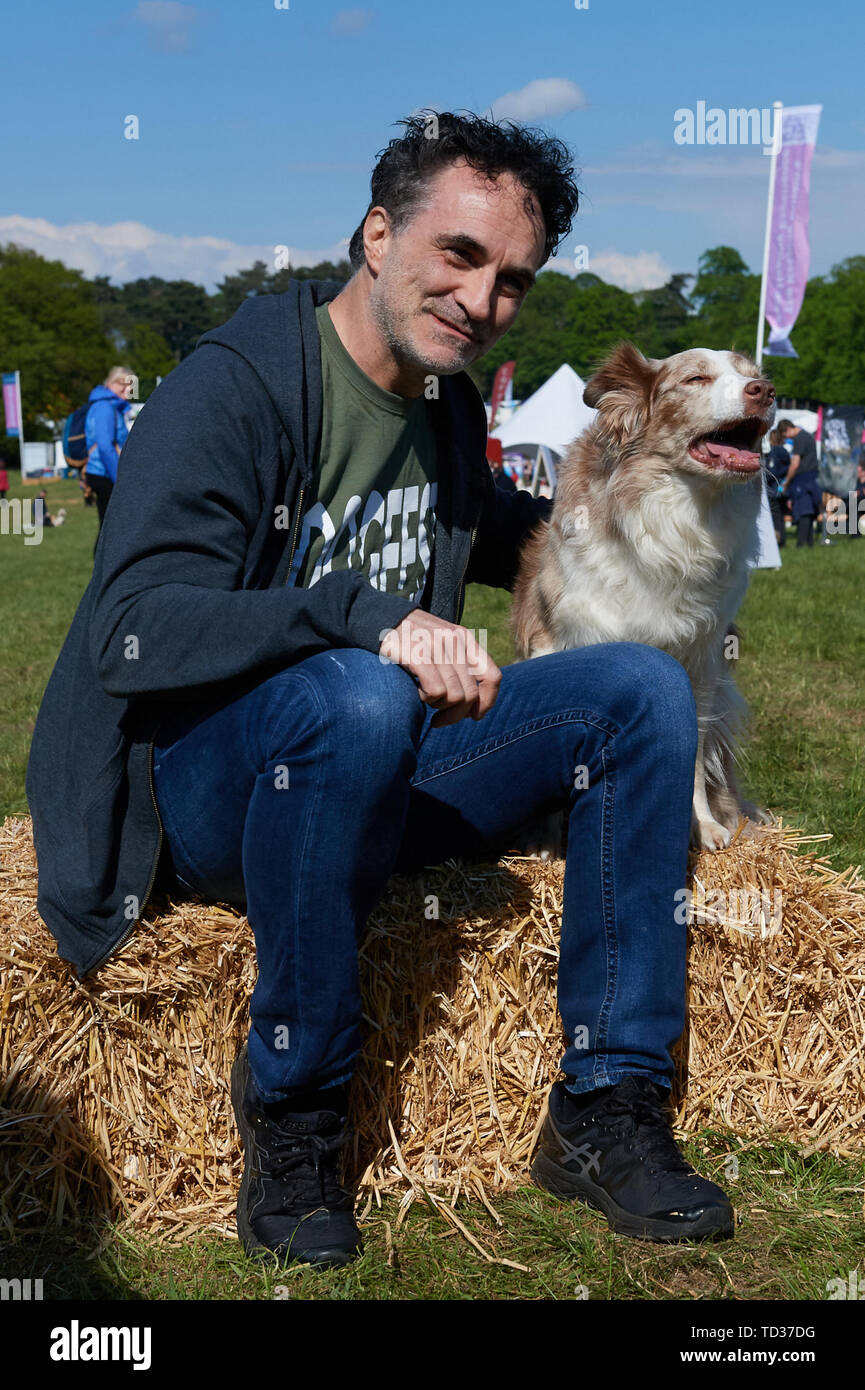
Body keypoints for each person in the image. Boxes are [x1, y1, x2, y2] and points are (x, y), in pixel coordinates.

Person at [26, 111, 733, 1270]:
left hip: (389, 760)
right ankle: (298, 1118)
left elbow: (505, 533)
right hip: (216, 792)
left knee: (640, 691)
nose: (480, 297)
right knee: (355, 692)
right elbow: (134, 633)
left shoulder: (446, 403)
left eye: (511, 278)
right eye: (457, 253)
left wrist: (646, 498)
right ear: (375, 232)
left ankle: (608, 1107)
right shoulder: (235, 388)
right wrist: (363, 615)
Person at [83, 366, 133, 551]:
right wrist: (119, 478)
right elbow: (105, 446)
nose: (128, 390)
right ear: (111, 383)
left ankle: (104, 570)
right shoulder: (105, 407)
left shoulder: (110, 406)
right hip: (105, 474)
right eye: (124, 384)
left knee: (110, 527)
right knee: (110, 529)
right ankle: (103, 572)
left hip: (103, 472)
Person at [777, 418, 822, 548]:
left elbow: (795, 463)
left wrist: (787, 481)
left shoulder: (799, 438)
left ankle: (801, 543)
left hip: (804, 479)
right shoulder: (808, 435)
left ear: (787, 430)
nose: (785, 438)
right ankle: (809, 543)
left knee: (804, 510)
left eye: (784, 435)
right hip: (812, 477)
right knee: (809, 510)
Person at [765, 426, 790, 547]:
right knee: (780, 515)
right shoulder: (785, 452)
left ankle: (777, 540)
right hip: (782, 487)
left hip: (773, 488)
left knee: (774, 516)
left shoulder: (773, 453)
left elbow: (772, 472)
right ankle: (782, 539)